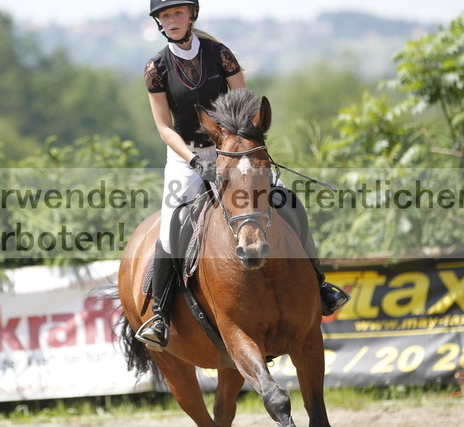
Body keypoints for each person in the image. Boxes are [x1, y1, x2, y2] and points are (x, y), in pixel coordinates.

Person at [135, 0, 349, 351]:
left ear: (191, 16)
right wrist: (193, 160)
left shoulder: (220, 54)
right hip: (185, 154)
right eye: (164, 16)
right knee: (172, 227)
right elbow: (163, 127)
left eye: (177, 13)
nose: (171, 20)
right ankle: (160, 316)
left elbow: (245, 102)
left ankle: (321, 286)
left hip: (234, 149)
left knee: (286, 201)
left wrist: (241, 148)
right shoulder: (156, 67)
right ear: (158, 22)